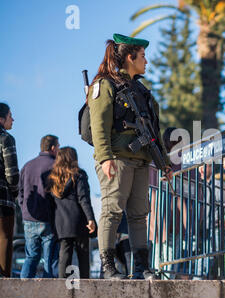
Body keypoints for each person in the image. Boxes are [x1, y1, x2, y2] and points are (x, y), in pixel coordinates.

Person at [88, 33, 172, 280]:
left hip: (141, 160)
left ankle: (141, 268)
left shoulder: (143, 92)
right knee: (112, 211)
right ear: (129, 57)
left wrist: (164, 163)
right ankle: (108, 267)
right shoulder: (105, 85)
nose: (146, 61)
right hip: (117, 158)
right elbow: (99, 124)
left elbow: (154, 131)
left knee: (139, 215)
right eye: (143, 56)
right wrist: (104, 158)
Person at [47, 147, 96, 279]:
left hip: (61, 223)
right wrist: (90, 219)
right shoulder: (79, 175)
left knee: (64, 254)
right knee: (83, 255)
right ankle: (85, 285)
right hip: (79, 221)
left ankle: (63, 286)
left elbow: (50, 204)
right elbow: (83, 198)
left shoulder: (52, 178)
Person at [19, 134, 60, 278]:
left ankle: (22, 290)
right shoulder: (55, 165)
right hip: (47, 218)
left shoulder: (27, 165)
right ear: (53, 148)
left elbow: (21, 192)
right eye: (58, 147)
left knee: (31, 257)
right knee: (50, 260)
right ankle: (48, 294)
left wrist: (24, 208)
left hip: (29, 217)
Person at [0, 103, 19, 277]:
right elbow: (12, 174)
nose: (12, 119)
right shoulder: (6, 138)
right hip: (3, 198)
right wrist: (15, 192)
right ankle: (4, 282)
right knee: (4, 238)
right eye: (10, 115)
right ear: (1, 119)